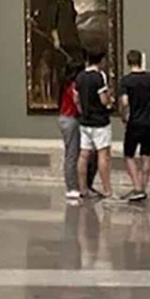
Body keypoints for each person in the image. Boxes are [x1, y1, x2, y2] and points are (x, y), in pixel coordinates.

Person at [118, 50, 150, 202]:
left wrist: (123, 114)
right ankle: (143, 188)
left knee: (129, 155)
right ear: (140, 61)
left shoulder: (126, 81)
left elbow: (125, 102)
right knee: (146, 155)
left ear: (128, 62)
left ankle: (137, 187)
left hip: (135, 122)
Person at [74, 51, 113, 200]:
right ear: (100, 60)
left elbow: (76, 98)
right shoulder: (99, 76)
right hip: (100, 122)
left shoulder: (80, 76)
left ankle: (83, 189)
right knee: (103, 155)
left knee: (84, 155)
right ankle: (107, 190)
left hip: (85, 121)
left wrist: (82, 111)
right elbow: (103, 100)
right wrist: (110, 100)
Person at [57, 61, 85, 201]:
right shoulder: (73, 85)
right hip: (70, 119)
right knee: (72, 154)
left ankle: (74, 186)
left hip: (65, 118)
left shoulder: (65, 84)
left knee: (72, 153)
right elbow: (77, 102)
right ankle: (72, 187)